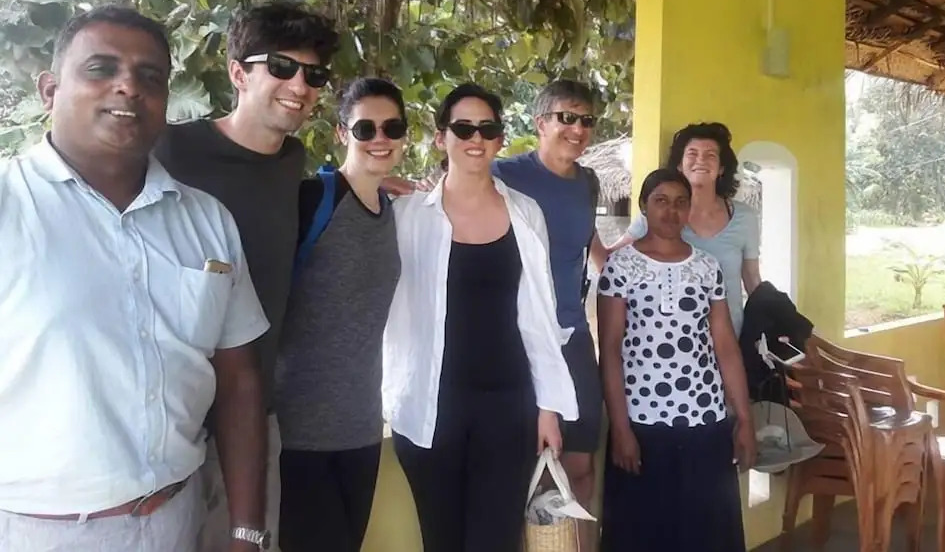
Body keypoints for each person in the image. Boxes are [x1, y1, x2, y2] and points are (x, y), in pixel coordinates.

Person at [0, 7, 270, 552]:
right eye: (101, 68)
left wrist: (246, 531)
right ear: (50, 90)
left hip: (178, 516)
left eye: (150, 76)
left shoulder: (207, 220)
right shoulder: (9, 206)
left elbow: (238, 381)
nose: (128, 86)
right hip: (37, 530)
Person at [383, 79, 606, 545]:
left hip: (510, 405)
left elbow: (539, 317)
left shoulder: (524, 213)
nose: (476, 138)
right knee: (441, 539)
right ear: (441, 137)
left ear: (501, 139)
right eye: (463, 128)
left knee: (497, 539)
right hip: (431, 405)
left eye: (487, 129)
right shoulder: (408, 216)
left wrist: (548, 408)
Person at [154, 2, 337, 550]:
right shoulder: (169, 150)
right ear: (238, 73)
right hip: (165, 424)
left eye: (314, 75)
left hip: (253, 420)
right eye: (281, 67)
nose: (299, 85)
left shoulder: (291, 161)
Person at [274, 78, 406, 552]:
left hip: (362, 427)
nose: (380, 138)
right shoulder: (312, 200)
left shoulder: (393, 210)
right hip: (299, 432)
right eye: (365, 128)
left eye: (392, 127)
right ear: (341, 133)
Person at [598, 168, 755, 552]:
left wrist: (744, 420)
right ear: (644, 207)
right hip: (642, 422)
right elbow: (611, 351)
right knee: (643, 533)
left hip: (706, 420)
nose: (671, 211)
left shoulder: (706, 267)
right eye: (661, 201)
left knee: (707, 533)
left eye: (680, 202)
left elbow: (725, 346)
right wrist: (621, 429)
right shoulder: (621, 267)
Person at [609, 122, 761, 333]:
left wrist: (768, 325)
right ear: (679, 165)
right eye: (692, 153)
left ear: (722, 168)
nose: (701, 160)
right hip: (669, 339)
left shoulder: (745, 217)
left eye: (710, 155)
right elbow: (611, 261)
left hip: (730, 338)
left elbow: (752, 279)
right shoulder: (658, 216)